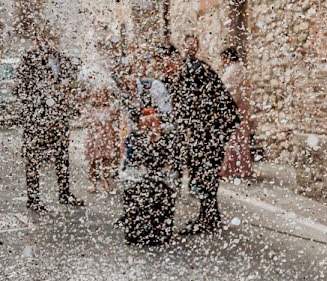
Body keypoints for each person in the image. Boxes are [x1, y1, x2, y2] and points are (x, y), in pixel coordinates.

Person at [163, 38, 240, 234]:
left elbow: (207, 103)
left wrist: (194, 129)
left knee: (205, 171)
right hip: (204, 129)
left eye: (163, 64)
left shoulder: (195, 70)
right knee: (202, 172)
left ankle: (207, 220)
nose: (163, 70)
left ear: (173, 59)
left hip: (214, 127)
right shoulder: (177, 76)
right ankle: (210, 217)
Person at [13, 32, 82, 210]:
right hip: (35, 117)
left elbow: (74, 84)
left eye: (51, 40)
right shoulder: (29, 59)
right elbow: (19, 87)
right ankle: (34, 199)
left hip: (59, 117)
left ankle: (64, 193)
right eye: (43, 40)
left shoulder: (63, 60)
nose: (47, 44)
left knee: (62, 155)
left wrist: (67, 99)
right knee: (32, 157)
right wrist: (36, 104)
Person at [118, 47, 179, 246]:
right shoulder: (124, 94)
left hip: (157, 142)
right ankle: (135, 225)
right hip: (135, 143)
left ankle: (158, 229)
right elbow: (125, 122)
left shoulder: (154, 87)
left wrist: (150, 119)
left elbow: (168, 116)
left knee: (158, 183)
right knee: (132, 183)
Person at [219, 47, 253, 180]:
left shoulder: (234, 70)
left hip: (235, 106)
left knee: (235, 137)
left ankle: (233, 169)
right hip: (240, 106)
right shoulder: (239, 68)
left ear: (227, 58)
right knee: (239, 137)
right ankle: (239, 168)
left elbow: (228, 90)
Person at [84, 86, 122, 194]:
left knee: (106, 161)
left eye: (101, 96)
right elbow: (85, 122)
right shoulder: (91, 109)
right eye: (96, 96)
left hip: (106, 137)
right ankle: (92, 182)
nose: (99, 98)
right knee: (92, 162)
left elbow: (115, 120)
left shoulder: (110, 109)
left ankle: (106, 181)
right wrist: (92, 123)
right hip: (94, 137)